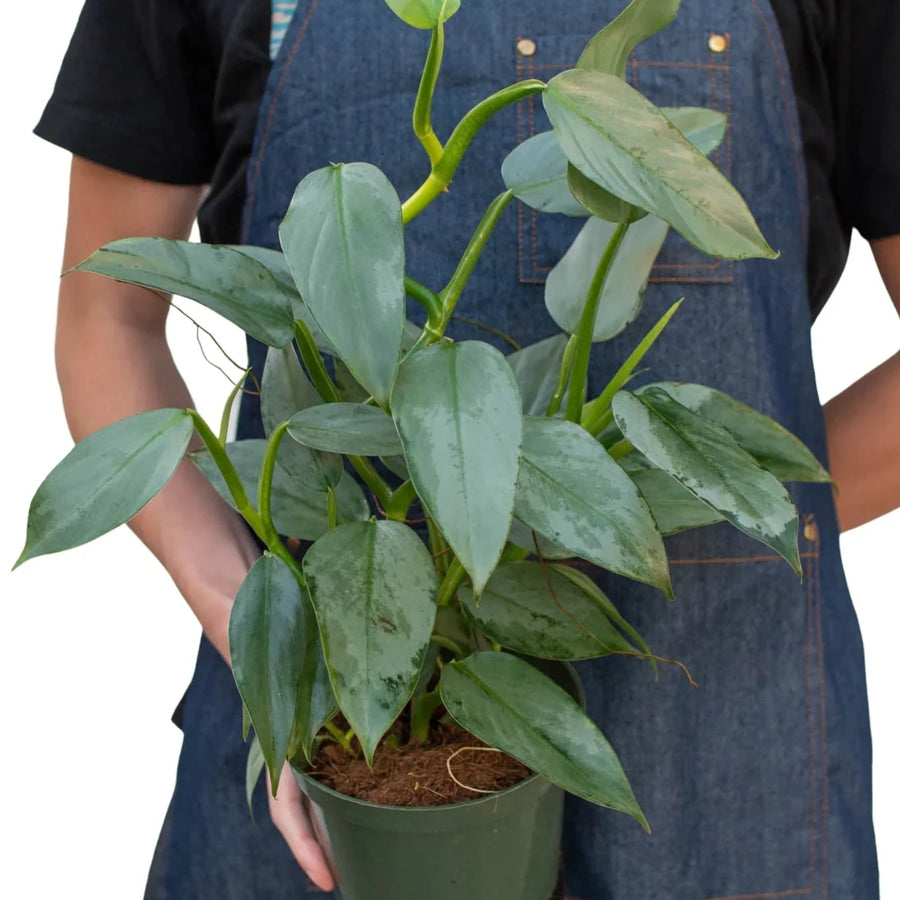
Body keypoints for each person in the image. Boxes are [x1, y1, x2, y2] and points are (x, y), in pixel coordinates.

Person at [35, 0, 900, 897]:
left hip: (721, 730)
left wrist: (699, 496)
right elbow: (107, 316)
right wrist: (253, 632)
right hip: (338, 735)